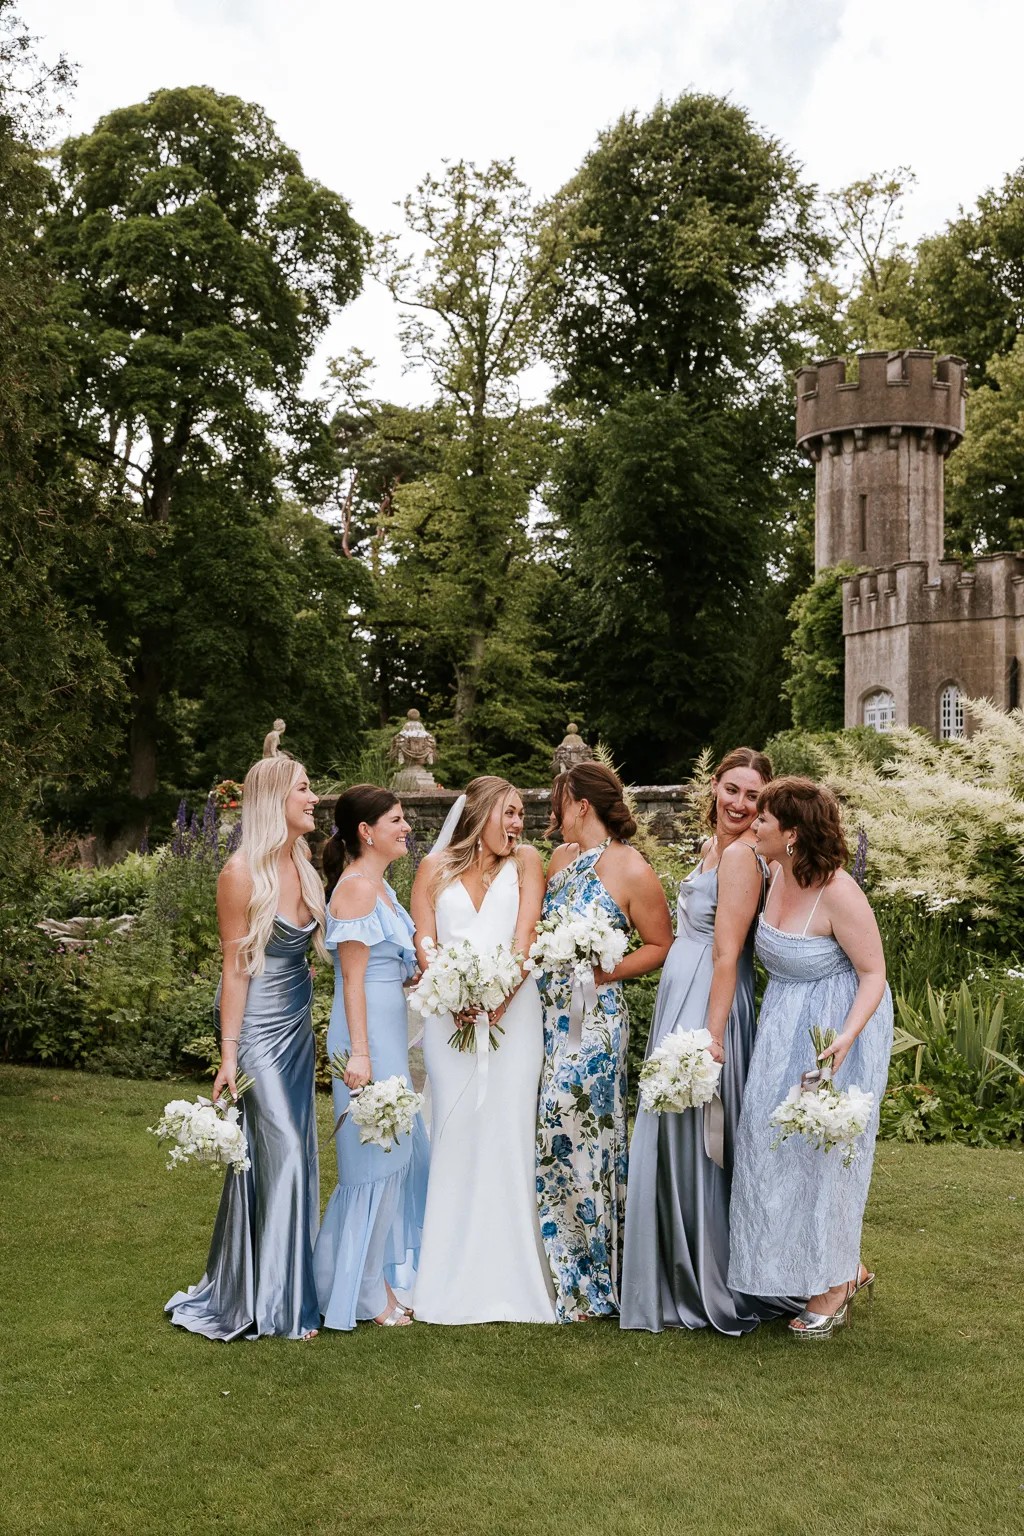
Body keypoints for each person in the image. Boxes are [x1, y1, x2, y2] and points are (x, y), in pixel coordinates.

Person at [621, 747, 798, 1334]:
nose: (740, 804)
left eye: (753, 796)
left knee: (700, 1133)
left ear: (765, 802)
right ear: (714, 789)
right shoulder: (711, 848)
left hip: (710, 1002)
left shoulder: (746, 857)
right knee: (678, 1129)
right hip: (684, 993)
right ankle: (678, 1266)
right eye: (732, 789)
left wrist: (713, 1036)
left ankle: (705, 1275)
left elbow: (728, 952)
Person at [166, 756, 325, 1341]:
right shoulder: (239, 873)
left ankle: (277, 1286)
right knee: (280, 1147)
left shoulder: (304, 865)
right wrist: (228, 1054)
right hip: (255, 1027)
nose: (313, 797)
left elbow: (304, 954)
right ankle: (278, 1308)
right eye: (304, 789)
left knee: (293, 1152)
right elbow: (235, 970)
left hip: (298, 1027)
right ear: (274, 799)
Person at [728, 776, 892, 1341]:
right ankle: (838, 1266)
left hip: (840, 1024)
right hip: (782, 1021)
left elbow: (874, 974)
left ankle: (832, 1286)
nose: (754, 823)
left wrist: (845, 1040)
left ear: (792, 833)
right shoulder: (771, 870)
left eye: (765, 819)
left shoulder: (839, 891)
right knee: (770, 1144)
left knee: (825, 1154)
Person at [411, 777, 556, 1324]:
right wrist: (451, 995)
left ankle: (513, 1275)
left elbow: (526, 938)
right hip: (450, 1024)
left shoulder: (527, 864)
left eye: (521, 814)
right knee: (455, 1133)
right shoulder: (433, 868)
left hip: (515, 1020)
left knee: (506, 1131)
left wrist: (496, 1000)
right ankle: (446, 1275)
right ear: (481, 811)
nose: (519, 823)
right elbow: (425, 944)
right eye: (511, 812)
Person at [536, 762, 673, 1322]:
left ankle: (593, 1280)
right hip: (546, 1018)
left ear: (582, 805)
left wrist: (604, 972)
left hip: (593, 1021)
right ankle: (555, 1265)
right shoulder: (559, 860)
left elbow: (661, 943)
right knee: (549, 1133)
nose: (552, 814)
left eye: (558, 803)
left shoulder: (631, 868)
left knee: (581, 1132)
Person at [313, 786, 428, 1330]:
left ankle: (371, 1279)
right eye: (398, 820)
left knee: (394, 1158)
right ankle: (361, 1292)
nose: (407, 827)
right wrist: (360, 1055)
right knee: (371, 1165)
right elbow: (352, 982)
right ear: (366, 831)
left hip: (384, 1033)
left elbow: (388, 969)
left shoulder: (382, 890)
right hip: (365, 1042)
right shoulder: (356, 890)